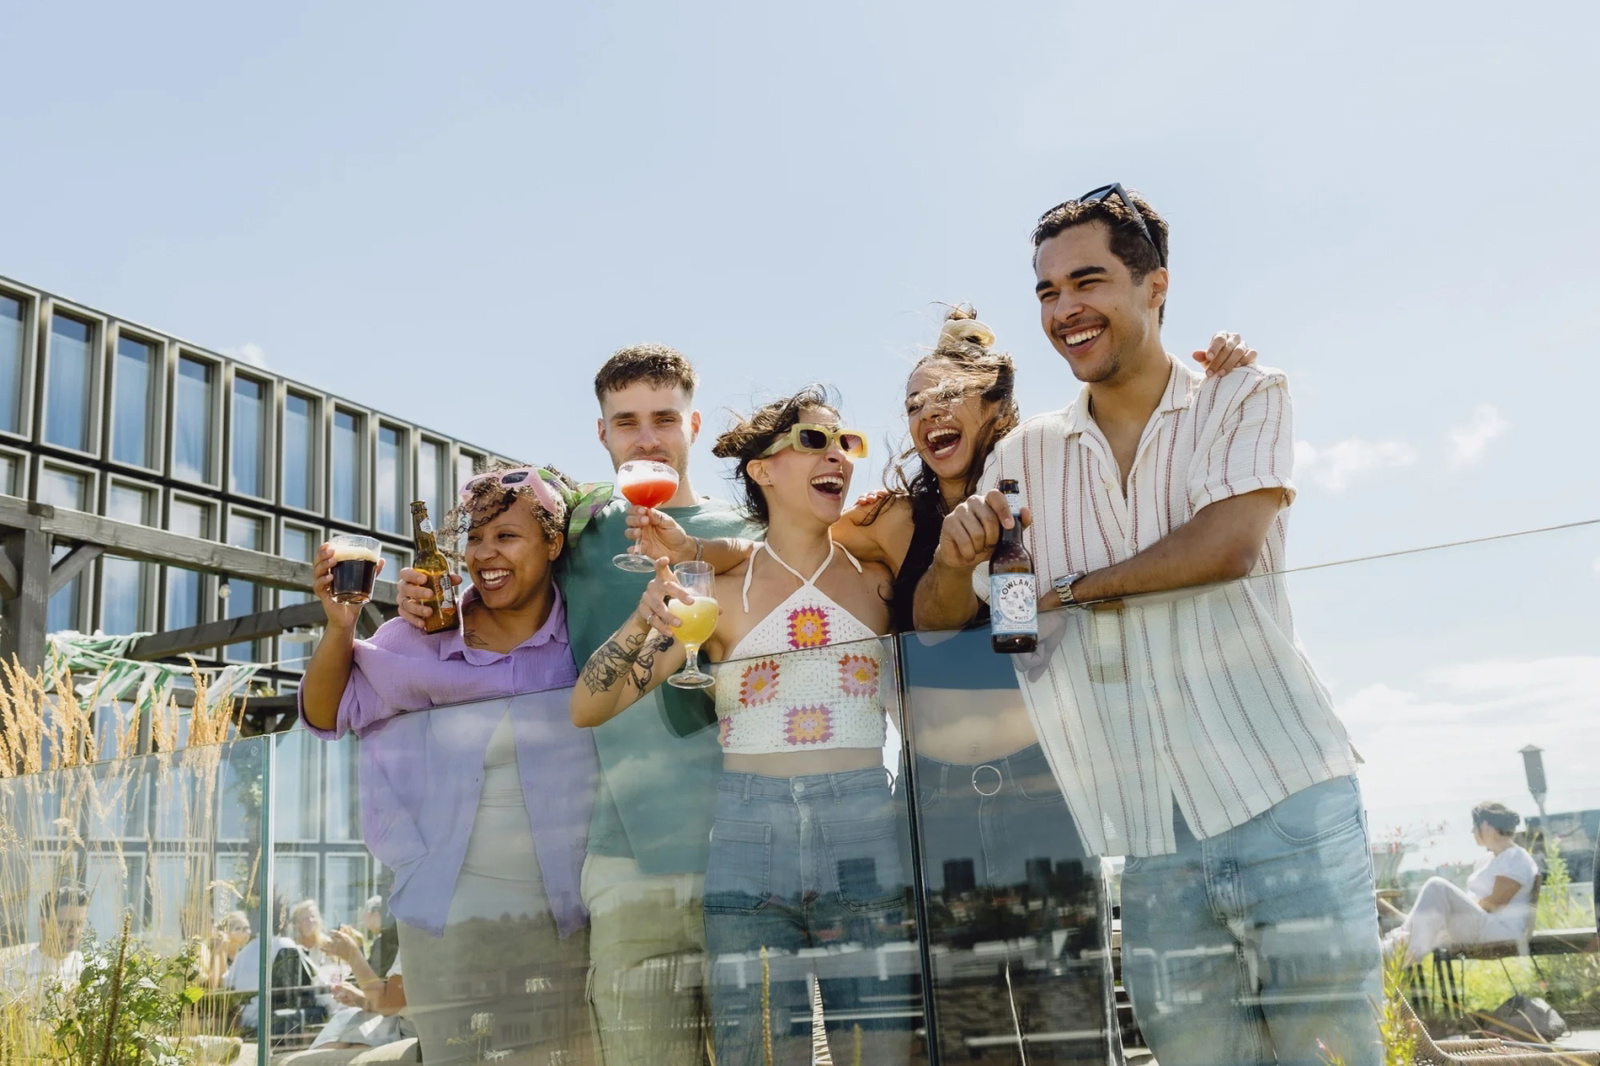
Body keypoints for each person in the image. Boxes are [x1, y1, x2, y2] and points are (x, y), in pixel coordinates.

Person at [913, 185, 1382, 1066]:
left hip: (1283, 798)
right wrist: (951, 562)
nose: (1065, 310)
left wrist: (1076, 590)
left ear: (1155, 286)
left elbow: (1227, 546)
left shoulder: (1241, 396)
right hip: (1142, 833)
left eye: (1087, 281)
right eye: (1048, 292)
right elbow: (962, 624)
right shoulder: (1019, 456)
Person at [399, 344, 750, 1066]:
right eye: (626, 423)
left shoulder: (746, 532)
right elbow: (501, 573)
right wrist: (435, 608)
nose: (646, 438)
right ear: (602, 435)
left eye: (663, 418)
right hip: (625, 864)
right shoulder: (581, 531)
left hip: (745, 848)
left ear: (693, 423)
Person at [574, 386, 911, 1066]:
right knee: (756, 1054)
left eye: (847, 444)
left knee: (876, 1053)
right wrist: (644, 619)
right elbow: (588, 706)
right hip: (746, 838)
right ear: (763, 469)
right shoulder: (715, 594)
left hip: (865, 829)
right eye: (814, 441)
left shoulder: (877, 581)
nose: (839, 458)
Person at [300, 464, 601, 1065]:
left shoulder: (585, 635)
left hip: (568, 914)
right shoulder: (418, 637)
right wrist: (341, 626)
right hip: (446, 919)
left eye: (507, 536)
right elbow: (327, 714)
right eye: (476, 538)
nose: (486, 554)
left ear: (554, 543)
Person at [1382, 802, 1540, 963]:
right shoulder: (1487, 859)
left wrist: (1455, 909)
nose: (1473, 831)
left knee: (1437, 887)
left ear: (1486, 826)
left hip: (1500, 930)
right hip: (1482, 924)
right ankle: (1391, 953)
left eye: (1475, 826)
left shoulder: (1515, 857)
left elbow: (1495, 904)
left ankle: (1391, 954)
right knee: (1431, 918)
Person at [309, 923, 413, 1051]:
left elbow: (388, 1006)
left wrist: (352, 955)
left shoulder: (419, 940)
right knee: (345, 1019)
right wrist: (362, 1000)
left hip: (413, 1039)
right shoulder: (422, 936)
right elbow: (402, 1003)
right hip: (404, 1028)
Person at [0, 883, 88, 995]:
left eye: (80, 923)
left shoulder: (94, 968)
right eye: (66, 924)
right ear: (43, 923)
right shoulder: (16, 972)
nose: (75, 932)